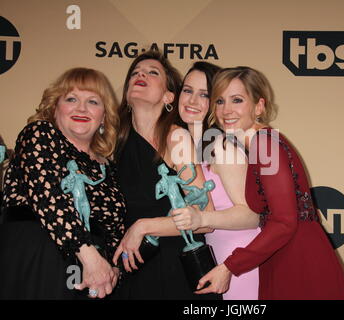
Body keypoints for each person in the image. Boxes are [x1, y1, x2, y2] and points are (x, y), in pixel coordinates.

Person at [192, 66, 344, 300]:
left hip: (300, 262)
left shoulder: (264, 143)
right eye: (220, 101)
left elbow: (284, 222)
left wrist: (229, 266)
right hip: (281, 258)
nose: (226, 110)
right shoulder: (256, 147)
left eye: (237, 100)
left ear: (259, 106)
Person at [0, 67, 125, 299]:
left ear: (104, 116)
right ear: (54, 108)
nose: (81, 108)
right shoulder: (38, 134)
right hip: (36, 258)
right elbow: (48, 198)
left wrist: (113, 271)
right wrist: (90, 258)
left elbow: (115, 231)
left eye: (93, 102)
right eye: (71, 98)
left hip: (93, 277)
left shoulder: (109, 167)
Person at [111, 50, 219, 300]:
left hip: (176, 266)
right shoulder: (112, 143)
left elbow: (207, 216)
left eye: (152, 72)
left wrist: (143, 227)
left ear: (169, 95)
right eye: (135, 73)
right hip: (133, 265)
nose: (141, 75)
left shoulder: (176, 138)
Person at [170, 62, 260, 300]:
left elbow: (252, 216)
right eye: (187, 91)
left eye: (204, 95)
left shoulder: (221, 145)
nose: (191, 101)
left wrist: (202, 218)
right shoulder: (186, 146)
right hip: (216, 261)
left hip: (240, 265)